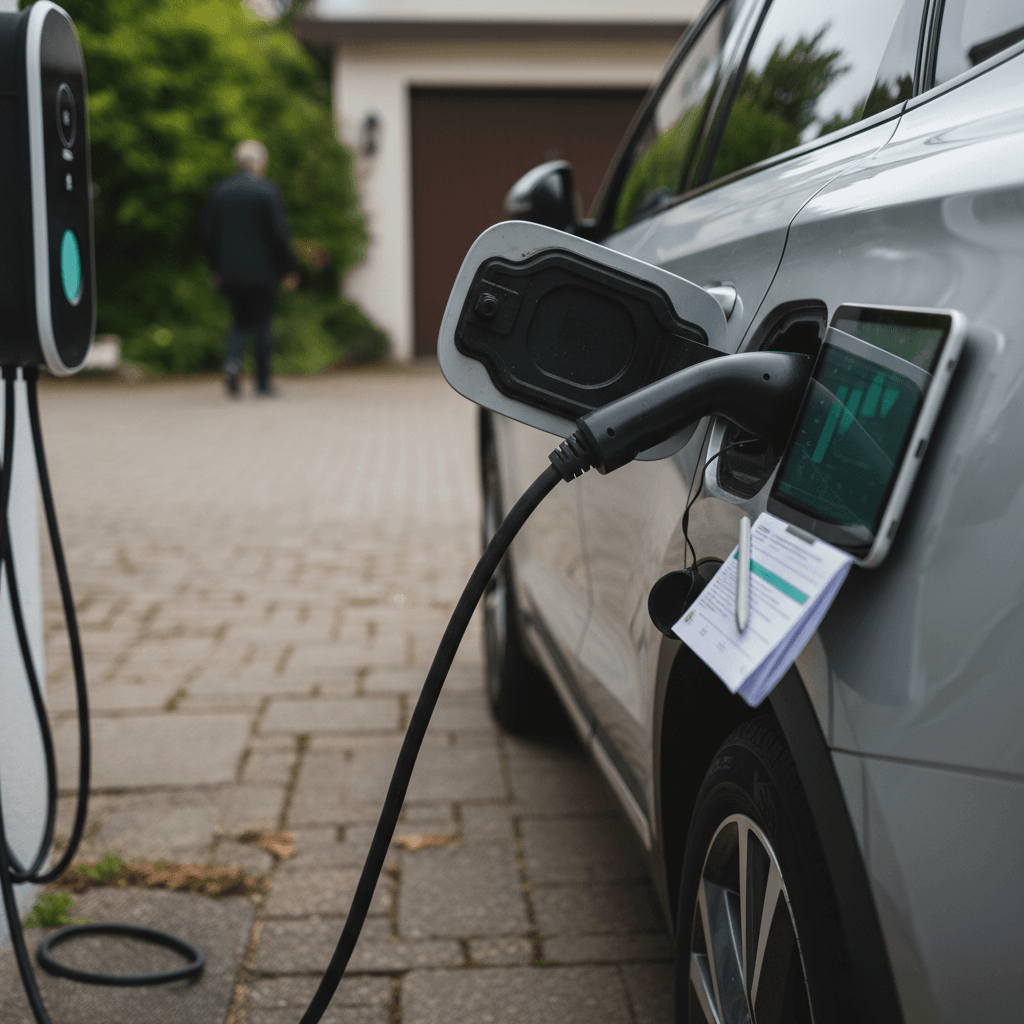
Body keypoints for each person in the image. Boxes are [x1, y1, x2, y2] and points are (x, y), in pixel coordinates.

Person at [201, 140, 299, 397]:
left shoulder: (220, 191)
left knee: (238, 321)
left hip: (230, 272)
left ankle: (233, 363)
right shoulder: (267, 191)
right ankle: (262, 382)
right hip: (263, 273)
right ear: (259, 163)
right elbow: (279, 234)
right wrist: (287, 268)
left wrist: (216, 268)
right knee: (262, 324)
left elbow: (208, 235)